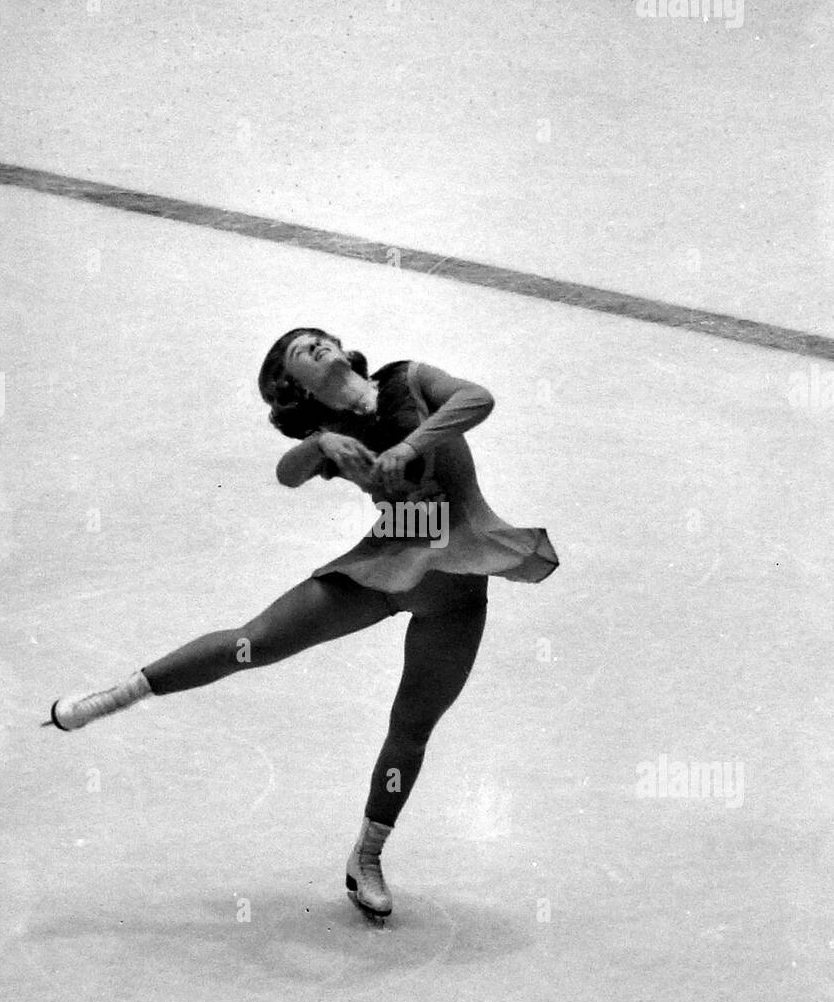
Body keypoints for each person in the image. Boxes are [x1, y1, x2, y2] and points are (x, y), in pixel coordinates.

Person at [45, 328, 558, 919]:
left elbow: (478, 399)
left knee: (412, 726)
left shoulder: (409, 380)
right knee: (253, 644)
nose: (316, 345)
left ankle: (367, 855)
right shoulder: (326, 437)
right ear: (295, 387)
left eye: (320, 339)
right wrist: (322, 448)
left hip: (458, 580)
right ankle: (113, 698)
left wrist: (411, 446)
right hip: (388, 561)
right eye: (298, 351)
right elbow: (288, 474)